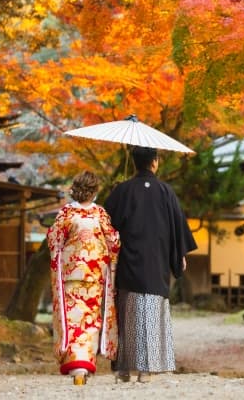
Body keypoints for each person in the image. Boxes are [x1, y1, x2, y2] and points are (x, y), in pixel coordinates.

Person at [104, 145, 197, 383]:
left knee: (127, 313)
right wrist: (179, 256)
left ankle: (123, 368)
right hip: (156, 263)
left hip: (128, 263)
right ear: (155, 162)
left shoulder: (121, 191)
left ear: (134, 163)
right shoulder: (165, 191)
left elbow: (106, 226)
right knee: (152, 312)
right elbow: (177, 227)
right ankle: (146, 370)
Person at [46, 170, 120, 386]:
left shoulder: (66, 213)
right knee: (91, 321)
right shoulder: (100, 214)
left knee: (73, 320)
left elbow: (53, 240)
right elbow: (113, 242)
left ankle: (76, 366)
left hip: (71, 275)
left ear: (75, 189)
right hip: (94, 275)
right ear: (95, 191)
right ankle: (85, 365)